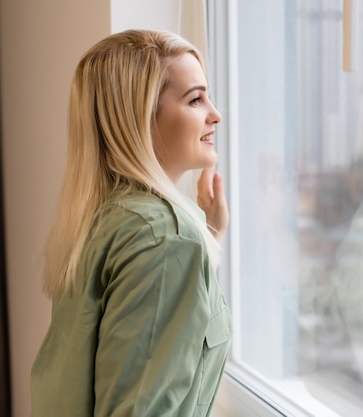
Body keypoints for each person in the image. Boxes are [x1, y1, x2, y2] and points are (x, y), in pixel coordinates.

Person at [31, 29, 231, 417]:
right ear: (143, 119)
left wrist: (210, 234)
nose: (215, 114)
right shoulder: (165, 239)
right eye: (196, 99)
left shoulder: (106, 216)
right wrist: (193, 237)